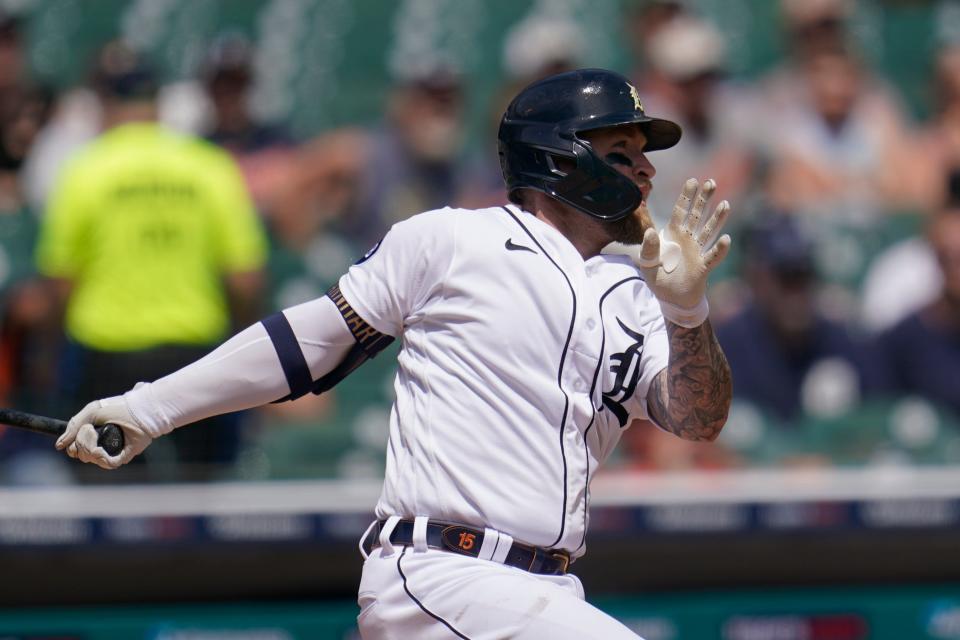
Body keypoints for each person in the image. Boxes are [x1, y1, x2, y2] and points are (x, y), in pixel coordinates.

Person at [54, 69, 733, 639]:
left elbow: (698, 418)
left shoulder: (634, 292)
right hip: (443, 575)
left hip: (545, 592)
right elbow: (307, 344)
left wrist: (687, 309)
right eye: (621, 150)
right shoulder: (452, 242)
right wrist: (150, 408)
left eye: (644, 152)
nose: (646, 169)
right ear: (559, 158)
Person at [36, 42, 268, 481]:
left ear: (104, 102)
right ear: (158, 103)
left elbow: (60, 283)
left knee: (109, 503)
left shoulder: (84, 170)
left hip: (108, 354)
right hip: (195, 355)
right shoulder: (209, 166)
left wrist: (48, 360)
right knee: (204, 501)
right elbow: (245, 279)